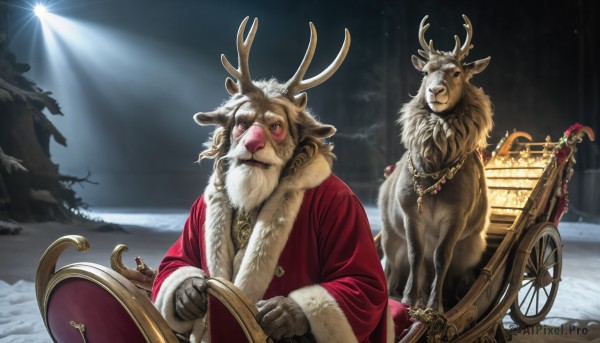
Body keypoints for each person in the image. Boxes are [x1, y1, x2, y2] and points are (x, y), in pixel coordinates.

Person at [151, 17, 409, 342]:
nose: (254, 140)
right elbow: (177, 262)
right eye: (244, 124)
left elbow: (366, 286)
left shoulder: (331, 200)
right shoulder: (210, 202)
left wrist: (302, 312)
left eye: (275, 127)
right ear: (228, 132)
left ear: (297, 139)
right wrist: (181, 286)